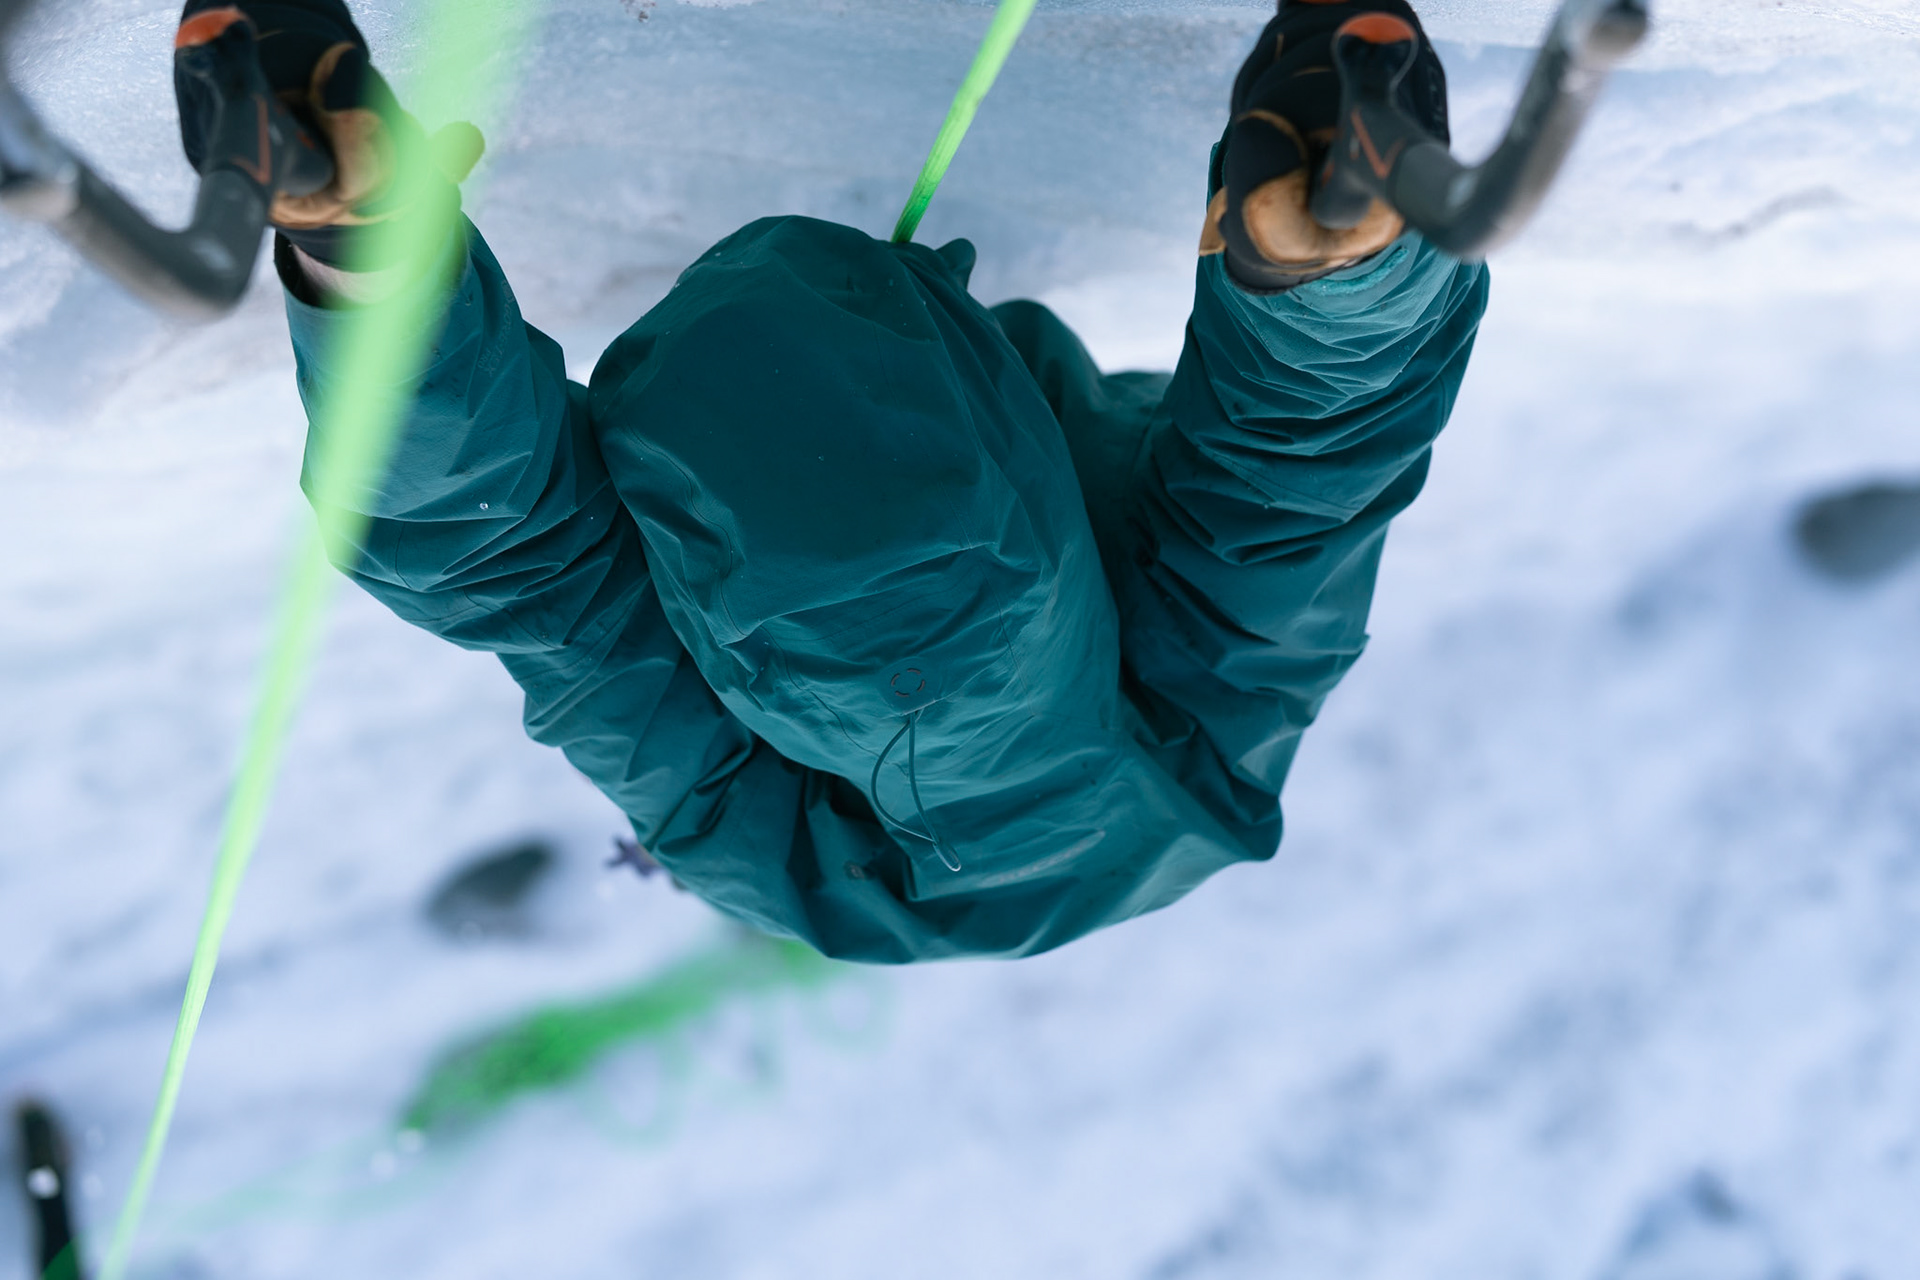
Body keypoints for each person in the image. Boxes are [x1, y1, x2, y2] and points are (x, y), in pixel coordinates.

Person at [176, 0, 1488, 962]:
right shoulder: (767, 850)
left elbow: (1301, 478)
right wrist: (369, 270)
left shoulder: (1200, 749)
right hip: (829, 790)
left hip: (995, 662)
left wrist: (1338, 272)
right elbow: (513, 563)